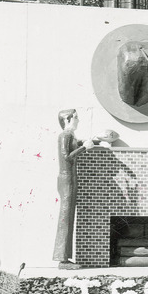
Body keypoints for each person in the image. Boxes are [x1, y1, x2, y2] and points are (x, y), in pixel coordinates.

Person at [53, 109, 95, 269]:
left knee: (68, 217)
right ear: (67, 119)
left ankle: (64, 258)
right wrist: (84, 147)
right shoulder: (65, 135)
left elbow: (73, 148)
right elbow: (67, 157)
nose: (78, 120)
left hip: (70, 179)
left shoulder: (71, 136)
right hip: (66, 179)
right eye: (76, 118)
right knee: (65, 218)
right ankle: (62, 260)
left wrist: (87, 143)